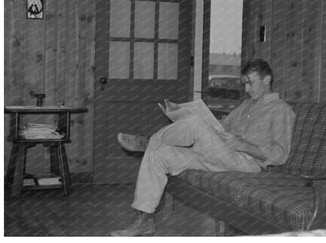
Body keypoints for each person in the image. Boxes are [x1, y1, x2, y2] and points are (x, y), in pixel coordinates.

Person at [111, 58, 296, 236]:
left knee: (191, 124)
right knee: (159, 152)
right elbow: (222, 126)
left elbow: (280, 154)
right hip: (221, 153)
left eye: (250, 83)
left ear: (267, 79)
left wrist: (243, 145)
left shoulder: (281, 110)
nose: (246, 89)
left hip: (246, 161)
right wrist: (184, 113)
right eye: (244, 84)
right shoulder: (247, 105)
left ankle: (148, 140)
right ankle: (145, 221)